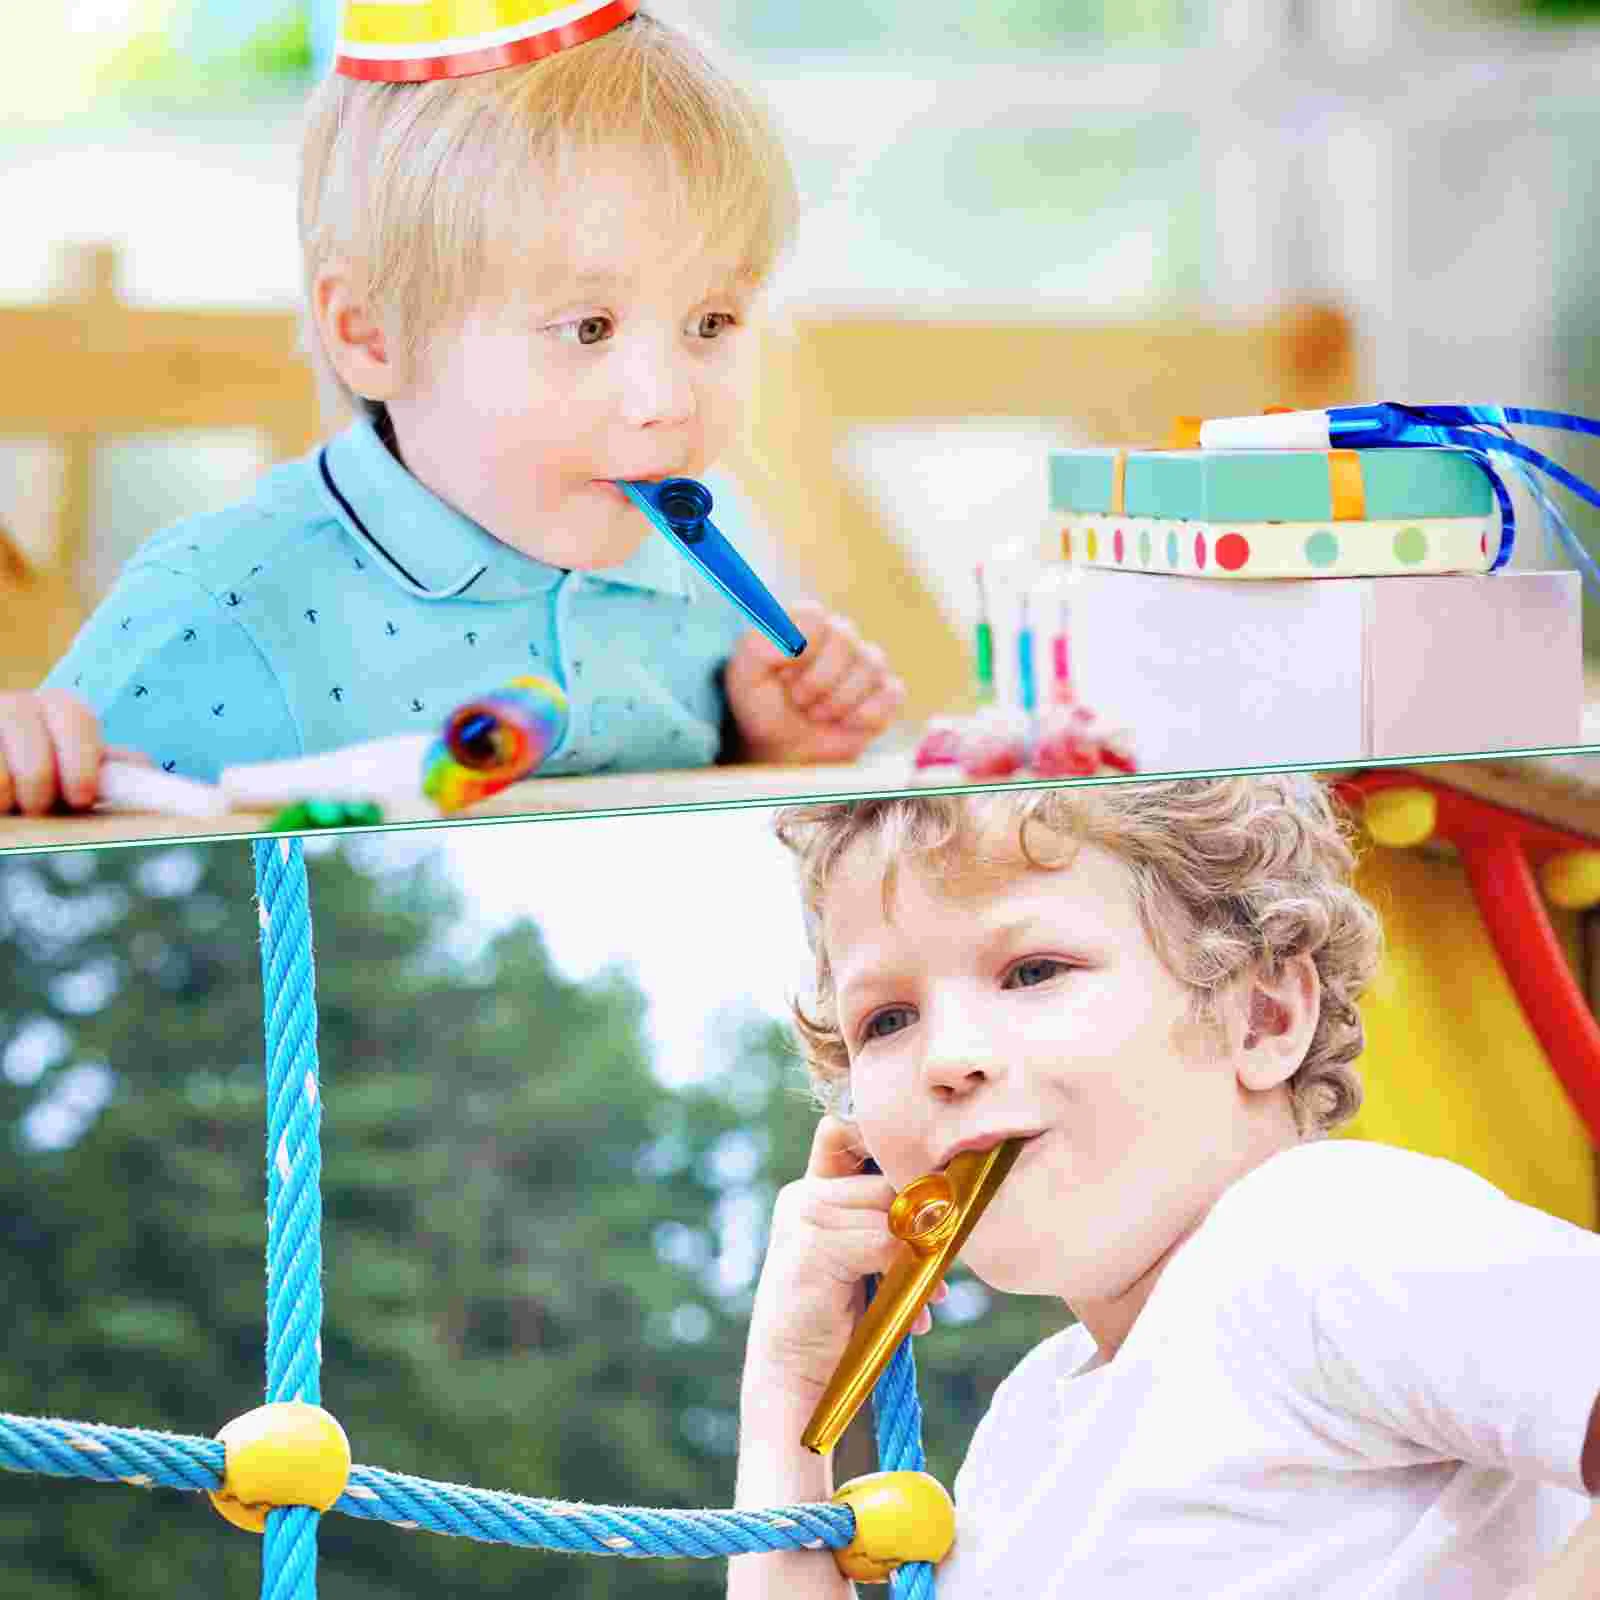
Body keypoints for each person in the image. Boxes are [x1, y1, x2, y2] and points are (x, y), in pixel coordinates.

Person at [1, 9, 902, 814]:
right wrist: (31, 766)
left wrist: (764, 748)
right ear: (371, 336)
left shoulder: (715, 555)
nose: (665, 402)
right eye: (587, 328)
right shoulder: (214, 603)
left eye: (711, 322)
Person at [733, 777, 1600, 1598]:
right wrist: (786, 1387)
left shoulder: (1320, 1236)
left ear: (1263, 1015)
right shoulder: (1023, 1432)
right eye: (886, 1020)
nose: (948, 1058)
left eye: (1033, 971)